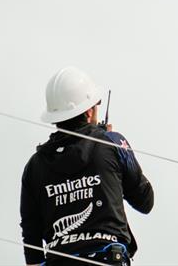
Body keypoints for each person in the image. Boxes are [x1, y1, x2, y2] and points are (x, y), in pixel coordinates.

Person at [20, 66, 154, 265]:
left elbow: (31, 238)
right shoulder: (111, 143)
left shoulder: (35, 165)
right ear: (89, 110)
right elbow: (145, 201)